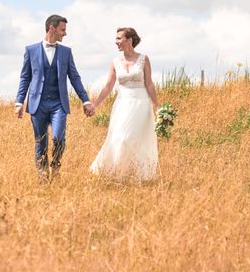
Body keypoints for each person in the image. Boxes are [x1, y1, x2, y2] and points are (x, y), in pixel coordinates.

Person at [15, 14, 95, 183]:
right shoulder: (31, 50)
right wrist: (19, 101)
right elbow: (25, 77)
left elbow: (74, 77)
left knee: (58, 138)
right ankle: (43, 176)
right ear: (52, 28)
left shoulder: (66, 52)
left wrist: (85, 100)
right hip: (38, 104)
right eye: (62, 30)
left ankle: (56, 166)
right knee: (40, 142)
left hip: (59, 104)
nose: (64, 34)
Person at [90, 27, 159, 182]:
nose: (116, 42)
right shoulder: (115, 62)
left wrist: (158, 105)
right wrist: (95, 104)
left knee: (134, 139)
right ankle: (116, 173)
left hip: (141, 104)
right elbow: (108, 86)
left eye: (119, 38)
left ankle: (138, 175)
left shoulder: (143, 59)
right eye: (116, 39)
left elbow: (149, 85)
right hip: (122, 105)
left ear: (130, 40)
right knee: (119, 137)